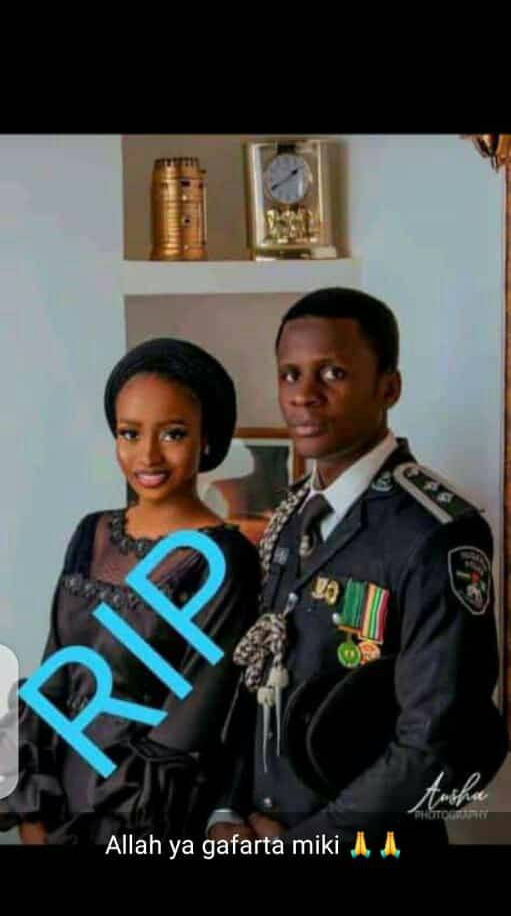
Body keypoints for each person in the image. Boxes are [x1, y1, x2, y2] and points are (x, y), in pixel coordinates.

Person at [207, 288, 508, 854]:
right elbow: (257, 680)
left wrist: (306, 845)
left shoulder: (434, 533)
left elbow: (435, 742)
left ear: (389, 387)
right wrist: (226, 811)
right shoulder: (290, 516)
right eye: (290, 374)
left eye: (333, 373)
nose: (304, 395)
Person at [0, 337, 260, 846]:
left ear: (207, 438)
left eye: (173, 433)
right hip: (55, 800)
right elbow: (55, 675)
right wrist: (35, 812)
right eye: (130, 433)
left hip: (147, 814)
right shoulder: (90, 533)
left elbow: (192, 720)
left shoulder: (225, 559)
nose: (148, 455)